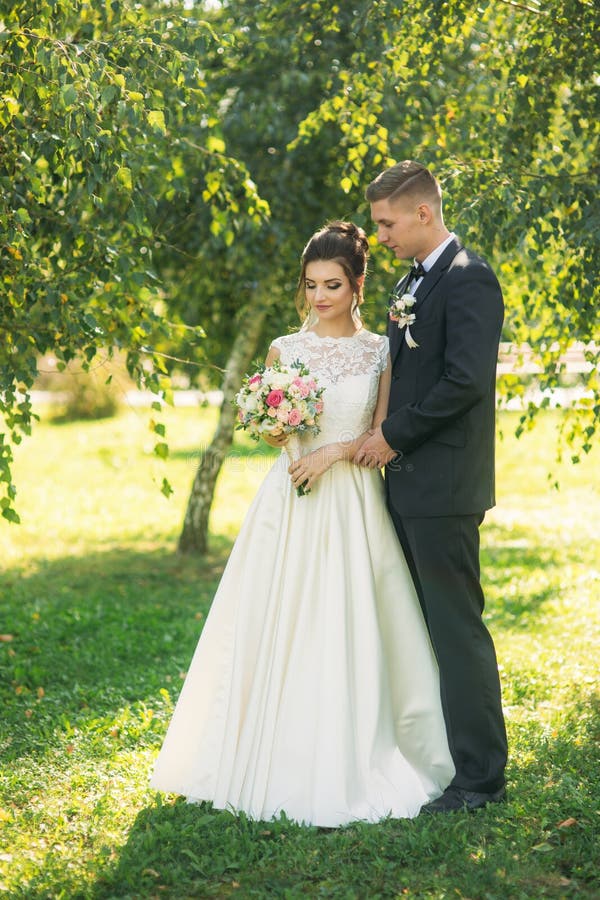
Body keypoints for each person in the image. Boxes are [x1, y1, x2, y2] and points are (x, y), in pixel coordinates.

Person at [150, 221, 454, 827]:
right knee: (277, 617)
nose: (319, 296)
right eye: (312, 284)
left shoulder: (378, 349)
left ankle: (357, 750)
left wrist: (331, 453)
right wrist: (283, 437)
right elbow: (266, 427)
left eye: (332, 285)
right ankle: (266, 745)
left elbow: (379, 433)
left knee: (351, 617)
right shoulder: (285, 350)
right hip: (291, 497)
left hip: (355, 498)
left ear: (358, 285)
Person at [356, 161, 508, 812]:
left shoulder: (470, 279)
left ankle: (480, 780)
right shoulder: (410, 282)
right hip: (407, 486)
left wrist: (393, 437)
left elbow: (465, 382)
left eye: (387, 223)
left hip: (445, 487)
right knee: (424, 632)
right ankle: (442, 761)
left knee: (456, 632)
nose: (381, 236)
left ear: (423, 213)